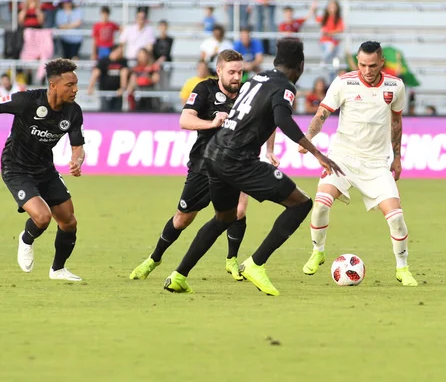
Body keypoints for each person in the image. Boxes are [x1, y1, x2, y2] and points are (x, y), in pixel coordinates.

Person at [163, 38, 343, 296]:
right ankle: (256, 264)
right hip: (239, 161)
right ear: (300, 66)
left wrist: (267, 148)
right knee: (301, 203)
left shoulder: (258, 78)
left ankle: (179, 275)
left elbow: (259, 116)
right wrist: (317, 153)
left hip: (213, 154)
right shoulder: (285, 87)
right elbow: (282, 118)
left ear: (275, 61)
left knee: (224, 217)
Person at [130, 50, 279, 281]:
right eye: (231, 72)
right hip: (203, 163)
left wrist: (269, 150)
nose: (236, 77)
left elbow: (269, 120)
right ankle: (154, 258)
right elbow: (185, 120)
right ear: (219, 70)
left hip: (238, 163)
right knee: (182, 218)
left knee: (237, 211)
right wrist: (212, 123)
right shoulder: (204, 90)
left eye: (240, 72)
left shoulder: (249, 92)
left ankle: (231, 259)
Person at [299, 41, 418, 287]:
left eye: (372, 65)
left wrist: (397, 157)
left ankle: (402, 268)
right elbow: (322, 114)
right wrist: (309, 137)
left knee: (396, 217)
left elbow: (396, 123)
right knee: (321, 204)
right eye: (362, 64)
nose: (367, 70)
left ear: (381, 62)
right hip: (342, 158)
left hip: (375, 163)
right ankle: (318, 251)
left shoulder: (395, 86)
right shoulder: (344, 82)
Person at [0, 58, 85, 281]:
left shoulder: (73, 112)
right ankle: (26, 239)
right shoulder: (26, 100)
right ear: (53, 85)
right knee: (42, 217)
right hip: (15, 167)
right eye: (70, 85)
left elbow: (78, 146)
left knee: (69, 222)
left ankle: (58, 270)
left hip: (45, 169)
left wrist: (77, 161)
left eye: (76, 84)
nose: (75, 89)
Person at [87, 45, 128, 112]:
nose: (120, 53)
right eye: (119, 51)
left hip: (117, 92)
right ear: (113, 51)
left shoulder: (123, 61)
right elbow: (96, 73)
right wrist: (90, 88)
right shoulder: (104, 60)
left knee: (117, 113)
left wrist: (122, 88)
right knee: (105, 111)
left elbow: (124, 74)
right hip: (104, 91)